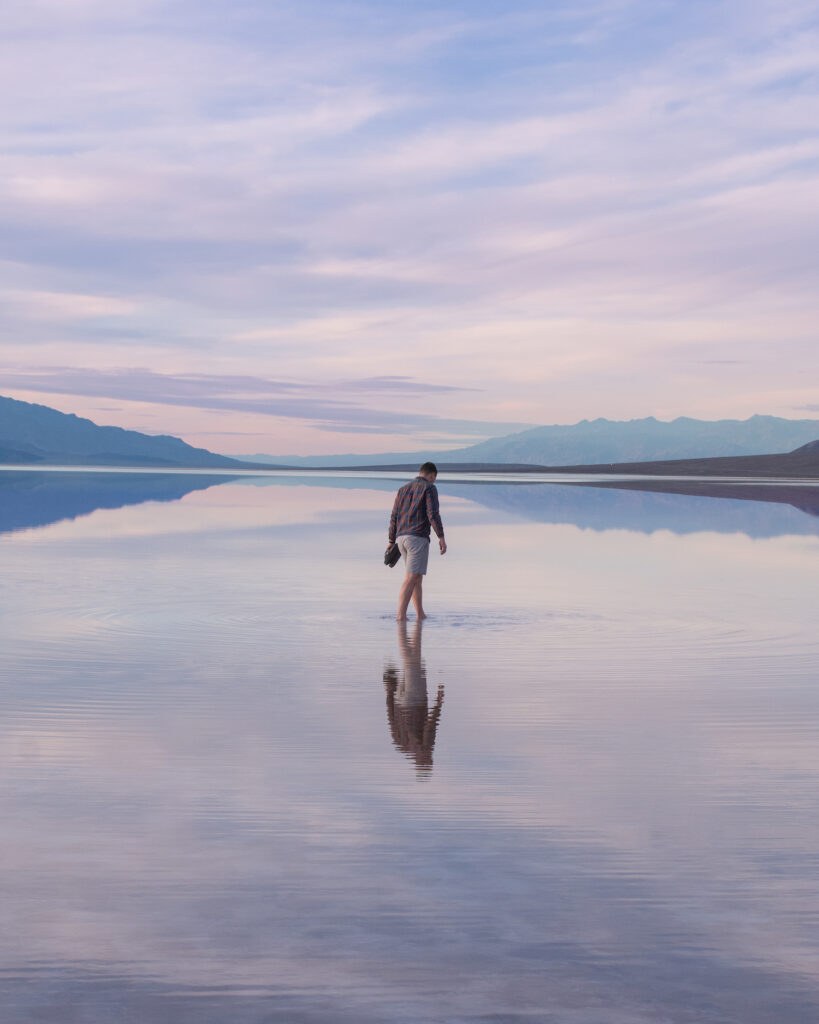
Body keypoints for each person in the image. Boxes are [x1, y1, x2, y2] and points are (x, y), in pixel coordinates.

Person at [387, 461, 447, 621]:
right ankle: (401, 616)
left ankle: (420, 614)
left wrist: (391, 540)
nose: (434, 481)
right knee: (411, 577)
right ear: (432, 475)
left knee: (416, 577)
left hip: (401, 539)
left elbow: (394, 516)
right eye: (434, 478)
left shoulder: (403, 489)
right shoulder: (429, 488)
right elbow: (432, 514)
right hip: (417, 538)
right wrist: (441, 536)